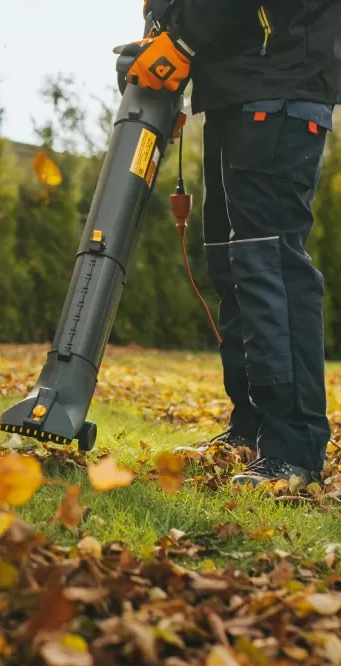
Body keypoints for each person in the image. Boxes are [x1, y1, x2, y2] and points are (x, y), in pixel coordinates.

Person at [123, 1, 341, 486]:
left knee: (270, 266)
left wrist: (182, 40)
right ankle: (251, 429)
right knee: (233, 265)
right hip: (233, 89)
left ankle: (293, 447)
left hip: (281, 79)